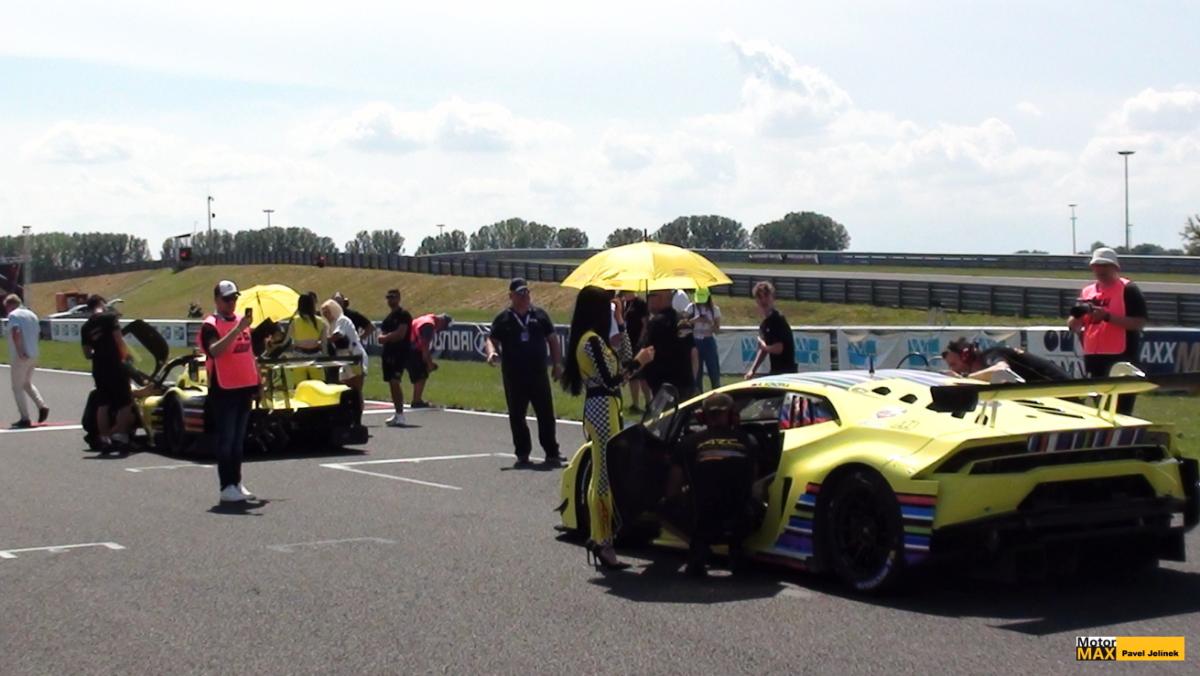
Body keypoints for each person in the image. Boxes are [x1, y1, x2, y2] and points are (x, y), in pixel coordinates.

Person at [562, 285, 655, 571]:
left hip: (609, 407)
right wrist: (639, 363)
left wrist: (622, 322)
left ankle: (600, 535)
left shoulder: (598, 340)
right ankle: (603, 540)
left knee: (603, 473)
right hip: (601, 407)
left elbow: (623, 356)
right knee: (604, 476)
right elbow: (612, 379)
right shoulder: (589, 342)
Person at [675, 392, 758, 577]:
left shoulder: (688, 443)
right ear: (733, 416)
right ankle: (737, 552)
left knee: (684, 501)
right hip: (740, 515)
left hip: (702, 515)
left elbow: (673, 484)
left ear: (702, 417)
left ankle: (698, 555)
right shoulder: (749, 441)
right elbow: (753, 476)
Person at [486, 278, 563, 467]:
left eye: (527, 292)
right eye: (520, 293)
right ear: (511, 296)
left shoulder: (539, 315)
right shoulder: (504, 318)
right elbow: (491, 339)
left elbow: (553, 340)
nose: (524, 296)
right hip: (514, 375)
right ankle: (522, 452)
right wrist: (492, 353)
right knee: (517, 415)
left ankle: (552, 451)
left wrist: (557, 364)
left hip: (538, 373)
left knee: (546, 413)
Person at [198, 281, 259, 503]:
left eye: (234, 298)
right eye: (227, 299)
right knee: (227, 439)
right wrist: (237, 330)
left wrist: (258, 382)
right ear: (217, 300)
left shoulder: (242, 322)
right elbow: (214, 350)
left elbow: (249, 354)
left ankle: (236, 481)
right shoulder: (210, 325)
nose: (231, 303)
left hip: (244, 386)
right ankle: (226, 485)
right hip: (223, 389)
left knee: (238, 440)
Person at [1068, 247, 1148, 415]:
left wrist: (1107, 317)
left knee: (1120, 410)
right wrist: (1077, 315)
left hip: (1120, 356)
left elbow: (1139, 322)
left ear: (1115, 267)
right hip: (1094, 357)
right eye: (1097, 265)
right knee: (1101, 409)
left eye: (1105, 265)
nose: (1100, 270)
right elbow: (1074, 326)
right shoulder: (1088, 291)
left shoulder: (1128, 289)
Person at [80, 295, 134, 450]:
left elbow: (87, 353)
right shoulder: (110, 318)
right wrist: (127, 357)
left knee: (103, 403)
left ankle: (104, 439)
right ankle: (120, 437)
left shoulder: (86, 327)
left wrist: (98, 351)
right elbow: (119, 340)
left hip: (99, 367)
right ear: (101, 303)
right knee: (125, 402)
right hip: (115, 364)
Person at [640, 290, 695, 400]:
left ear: (661, 298)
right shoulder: (683, 321)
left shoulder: (656, 323)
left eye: (650, 295)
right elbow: (694, 352)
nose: (648, 300)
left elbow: (646, 353)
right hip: (685, 383)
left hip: (663, 385)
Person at [4, 294, 48, 429]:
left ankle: (25, 417)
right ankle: (41, 405)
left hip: (21, 355)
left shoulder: (14, 315)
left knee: (17, 387)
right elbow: (38, 334)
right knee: (26, 383)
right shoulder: (32, 314)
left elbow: (16, 331)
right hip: (33, 354)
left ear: (10, 305)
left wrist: (20, 351)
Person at [942, 338, 1070, 383]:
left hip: (1062, 389)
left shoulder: (990, 356)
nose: (953, 369)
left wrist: (965, 378)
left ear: (966, 357)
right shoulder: (991, 356)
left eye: (954, 364)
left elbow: (1001, 369)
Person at [746, 281, 796, 378]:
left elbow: (779, 348)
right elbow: (764, 349)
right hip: (776, 370)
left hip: (787, 372)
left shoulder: (778, 319)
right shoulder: (764, 324)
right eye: (759, 297)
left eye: (766, 295)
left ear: (772, 298)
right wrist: (752, 370)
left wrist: (764, 346)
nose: (763, 300)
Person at [378, 289, 413, 427]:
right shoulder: (388, 318)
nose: (390, 300)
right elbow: (382, 334)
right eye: (388, 297)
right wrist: (384, 338)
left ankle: (401, 415)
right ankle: (397, 413)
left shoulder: (403, 315)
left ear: (398, 298)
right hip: (388, 353)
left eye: (393, 297)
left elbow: (401, 334)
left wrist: (386, 338)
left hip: (400, 353)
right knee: (391, 383)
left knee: (395, 381)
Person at [407, 313, 453, 408]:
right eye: (443, 328)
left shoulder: (425, 318)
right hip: (411, 349)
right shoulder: (429, 325)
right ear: (442, 322)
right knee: (421, 375)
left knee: (420, 373)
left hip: (406, 347)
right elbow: (425, 348)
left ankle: (416, 399)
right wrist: (430, 364)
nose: (440, 330)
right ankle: (416, 401)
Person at [321, 299, 366, 392]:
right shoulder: (330, 325)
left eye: (327, 311)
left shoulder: (342, 320)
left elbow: (338, 335)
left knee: (356, 386)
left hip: (354, 355)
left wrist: (323, 341)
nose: (325, 314)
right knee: (344, 385)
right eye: (324, 312)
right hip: (343, 358)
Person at [620, 290, 651, 412]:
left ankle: (649, 402)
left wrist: (641, 340)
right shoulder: (625, 304)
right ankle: (635, 403)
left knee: (642, 375)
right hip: (629, 342)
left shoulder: (640, 303)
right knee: (632, 374)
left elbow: (645, 324)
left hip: (638, 342)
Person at [287, 291, 328, 383]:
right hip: (315, 356)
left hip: (298, 357)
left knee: (299, 385)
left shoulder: (295, 321)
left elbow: (286, 341)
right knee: (319, 386)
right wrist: (324, 358)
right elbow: (324, 345)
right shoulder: (321, 322)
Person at [686, 288, 722, 391]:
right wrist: (695, 320)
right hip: (695, 341)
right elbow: (683, 324)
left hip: (708, 340)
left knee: (714, 371)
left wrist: (709, 322)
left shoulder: (715, 309)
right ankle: (698, 394)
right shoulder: (691, 307)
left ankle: (716, 393)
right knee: (697, 373)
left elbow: (717, 330)